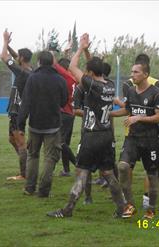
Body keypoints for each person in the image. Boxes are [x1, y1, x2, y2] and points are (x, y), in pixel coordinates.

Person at [47, 33, 125, 218]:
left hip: (91, 136)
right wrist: (88, 51)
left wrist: (81, 48)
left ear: (89, 73)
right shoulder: (110, 85)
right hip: (107, 135)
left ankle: (68, 209)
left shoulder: (91, 85)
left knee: (82, 173)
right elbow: (95, 68)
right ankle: (122, 208)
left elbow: (73, 66)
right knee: (108, 173)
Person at [111, 60, 159, 219]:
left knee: (152, 175)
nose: (132, 75)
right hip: (132, 138)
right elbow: (127, 110)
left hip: (151, 140)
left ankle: (151, 210)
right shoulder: (131, 92)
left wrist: (139, 118)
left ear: (145, 74)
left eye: (135, 72)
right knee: (122, 167)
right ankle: (130, 205)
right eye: (132, 71)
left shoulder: (157, 93)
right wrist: (109, 114)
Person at [18, 51, 68, 197]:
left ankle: (29, 188)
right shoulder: (60, 79)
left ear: (39, 61)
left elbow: (25, 102)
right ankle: (44, 190)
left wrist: (20, 124)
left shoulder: (32, 78)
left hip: (35, 124)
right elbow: (64, 101)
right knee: (50, 157)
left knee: (33, 156)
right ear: (53, 62)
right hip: (53, 125)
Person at [0, 29, 32, 181]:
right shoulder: (28, 70)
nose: (16, 57)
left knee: (19, 142)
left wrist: (5, 41)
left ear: (22, 58)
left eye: (18, 56)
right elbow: (13, 57)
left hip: (17, 111)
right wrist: (11, 47)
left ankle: (24, 174)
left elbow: (4, 57)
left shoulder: (21, 72)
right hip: (17, 110)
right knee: (12, 139)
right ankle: (27, 164)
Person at [54, 57, 77, 177]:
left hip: (64, 112)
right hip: (71, 114)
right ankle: (66, 170)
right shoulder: (74, 78)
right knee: (65, 143)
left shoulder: (66, 78)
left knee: (60, 142)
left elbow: (55, 64)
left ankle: (78, 164)